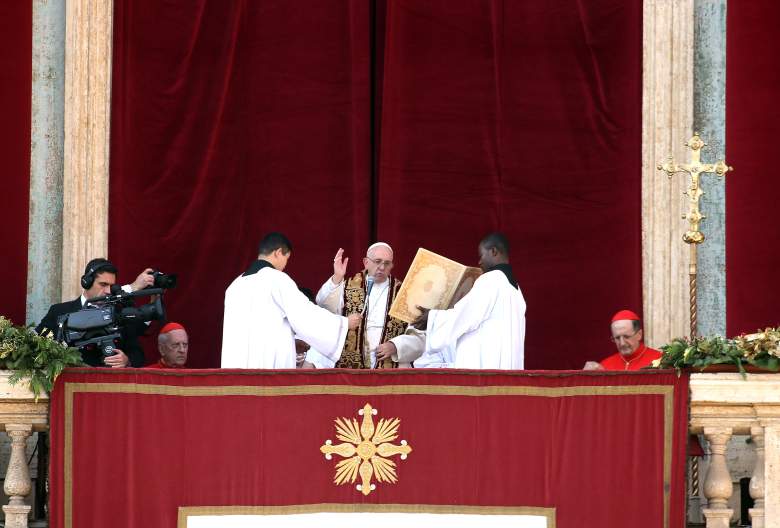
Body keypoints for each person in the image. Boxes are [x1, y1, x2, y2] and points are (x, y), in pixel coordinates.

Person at [221, 232, 362, 368]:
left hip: (237, 369)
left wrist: (293, 343)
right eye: (286, 258)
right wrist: (343, 323)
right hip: (266, 370)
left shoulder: (234, 286)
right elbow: (304, 313)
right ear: (278, 252)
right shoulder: (276, 279)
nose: (285, 265)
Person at [409, 232, 526, 369]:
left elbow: (464, 315)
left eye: (481, 255)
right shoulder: (516, 290)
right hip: (506, 370)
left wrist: (432, 317)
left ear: (493, 251)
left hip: (486, 369)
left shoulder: (490, 280)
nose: (479, 262)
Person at [36, 258, 155, 367]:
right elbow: (37, 347)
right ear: (86, 282)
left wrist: (127, 360)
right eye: (103, 284)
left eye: (111, 286)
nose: (108, 291)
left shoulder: (119, 313)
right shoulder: (58, 311)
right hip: (71, 384)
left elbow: (138, 354)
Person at [315, 242, 408, 368]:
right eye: (377, 261)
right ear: (366, 262)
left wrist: (396, 346)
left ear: (392, 265)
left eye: (387, 263)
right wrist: (337, 277)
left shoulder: (403, 293)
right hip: (350, 363)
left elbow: (417, 333)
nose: (381, 267)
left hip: (390, 363)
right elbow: (323, 304)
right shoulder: (349, 286)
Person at [583, 309, 662, 371]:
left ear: (639, 334)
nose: (622, 343)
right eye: (617, 338)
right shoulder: (605, 366)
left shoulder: (659, 361)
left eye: (626, 337)